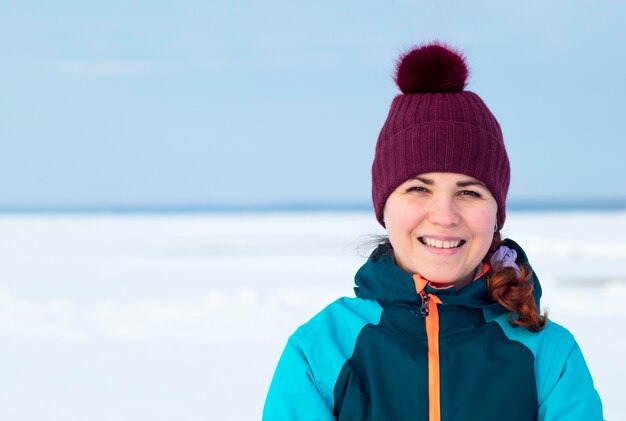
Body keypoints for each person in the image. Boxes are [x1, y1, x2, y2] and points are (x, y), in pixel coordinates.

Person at [262, 42, 604, 421]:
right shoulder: (322, 351)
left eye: (470, 192)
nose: (444, 215)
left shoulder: (550, 358)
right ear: (384, 207)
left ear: (496, 215)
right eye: (418, 189)